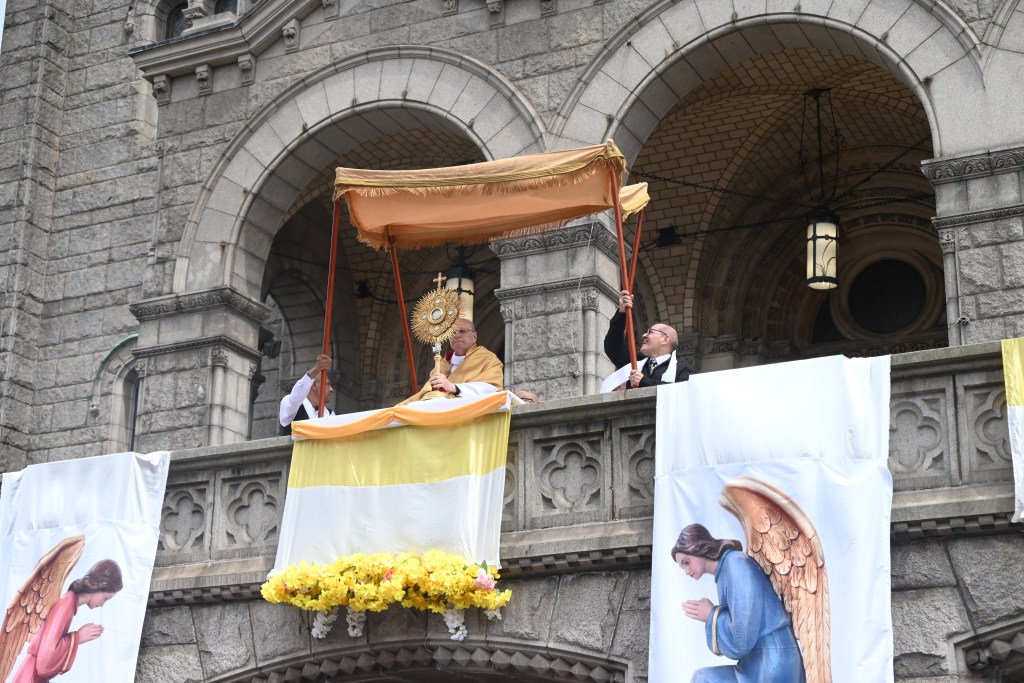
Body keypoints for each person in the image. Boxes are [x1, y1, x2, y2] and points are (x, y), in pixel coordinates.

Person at [671, 524, 805, 683]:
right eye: (682, 567)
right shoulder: (725, 571)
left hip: (773, 661)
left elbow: (741, 639)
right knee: (702, 678)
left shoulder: (736, 564)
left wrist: (711, 614)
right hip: (753, 663)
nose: (686, 571)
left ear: (699, 548)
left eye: (686, 562)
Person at [12, 559, 123, 683]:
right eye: (106, 598)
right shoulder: (66, 603)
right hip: (31, 677)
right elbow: (44, 661)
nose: (103, 604)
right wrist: (78, 637)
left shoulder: (69, 602)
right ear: (101, 585)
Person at [398, 319, 502, 405]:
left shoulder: (488, 359)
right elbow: (427, 391)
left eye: (462, 331)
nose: (456, 335)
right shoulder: (442, 364)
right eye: (452, 332)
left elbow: (493, 389)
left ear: (474, 337)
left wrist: (455, 388)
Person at [604, 289, 692, 389]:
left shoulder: (681, 369)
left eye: (650, 332)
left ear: (665, 339)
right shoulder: (634, 362)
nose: (644, 335)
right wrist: (621, 313)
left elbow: (682, 391)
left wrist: (644, 381)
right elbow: (613, 348)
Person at [279, 354, 335, 435]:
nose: (331, 389)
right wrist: (316, 370)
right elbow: (296, 396)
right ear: (314, 385)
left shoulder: (330, 415)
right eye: (327, 384)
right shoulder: (290, 405)